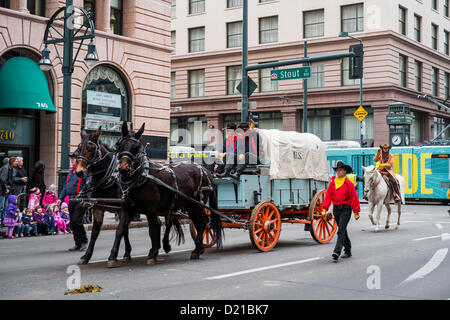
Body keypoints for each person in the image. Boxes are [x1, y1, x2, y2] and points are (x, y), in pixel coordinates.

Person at [322, 161, 360, 261]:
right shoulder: (332, 184)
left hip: (346, 209)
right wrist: (324, 208)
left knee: (340, 231)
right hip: (336, 210)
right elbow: (328, 197)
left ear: (345, 172)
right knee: (343, 230)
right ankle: (348, 250)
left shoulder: (349, 184)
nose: (339, 172)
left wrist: (356, 211)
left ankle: (337, 251)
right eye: (337, 170)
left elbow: (354, 198)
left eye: (341, 170)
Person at [57, 155, 88, 251]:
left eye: (73, 159)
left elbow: (88, 185)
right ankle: (77, 243)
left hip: (80, 199)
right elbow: (65, 187)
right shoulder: (71, 172)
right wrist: (60, 199)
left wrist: (88, 199)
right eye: (71, 158)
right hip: (71, 200)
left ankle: (84, 241)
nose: (71, 160)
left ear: (78, 160)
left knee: (77, 220)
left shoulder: (83, 172)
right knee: (73, 223)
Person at [0, 157, 16, 225]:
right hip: (2, 190)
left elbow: (11, 179)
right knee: (1, 207)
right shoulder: (6, 168)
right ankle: (1, 220)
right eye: (16, 161)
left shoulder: (12, 169)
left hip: (8, 189)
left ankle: (3, 221)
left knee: (6, 206)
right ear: (12, 162)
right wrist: (6, 188)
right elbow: (2, 179)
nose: (17, 162)